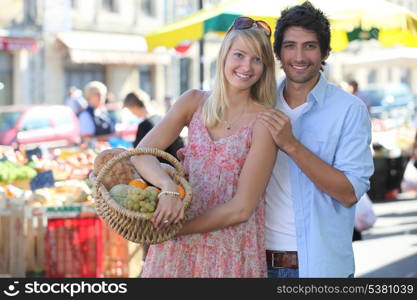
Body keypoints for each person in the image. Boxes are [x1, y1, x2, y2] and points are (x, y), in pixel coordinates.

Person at [130, 16, 277, 277]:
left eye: (257, 59)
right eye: (240, 55)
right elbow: (140, 155)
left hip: (229, 249)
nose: (247, 66)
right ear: (224, 56)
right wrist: (168, 189)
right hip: (176, 248)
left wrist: (176, 229)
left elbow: (241, 209)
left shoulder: (265, 122)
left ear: (265, 67)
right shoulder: (193, 102)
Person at [259, 1, 374, 278]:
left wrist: (291, 145)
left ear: (324, 51)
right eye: (290, 45)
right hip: (258, 263)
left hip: (319, 268)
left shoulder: (348, 110)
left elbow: (349, 192)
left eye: (309, 46)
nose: (299, 56)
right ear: (278, 52)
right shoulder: (261, 105)